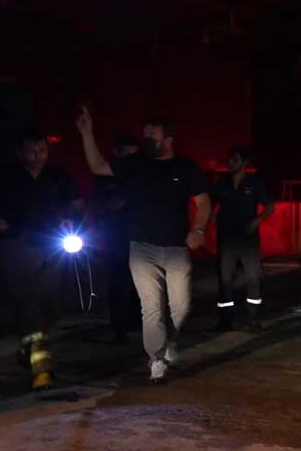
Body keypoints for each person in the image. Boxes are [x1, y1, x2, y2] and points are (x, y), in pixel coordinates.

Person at [76, 108, 211, 384]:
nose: (147, 137)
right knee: (150, 307)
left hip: (175, 248)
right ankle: (156, 359)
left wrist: (198, 228)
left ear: (168, 138)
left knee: (181, 307)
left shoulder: (186, 168)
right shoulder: (135, 164)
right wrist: (87, 133)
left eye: (153, 133)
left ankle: (170, 341)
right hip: (141, 249)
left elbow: (203, 201)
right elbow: (98, 166)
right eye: (145, 133)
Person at [0, 129, 84, 391]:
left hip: (54, 244)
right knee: (29, 300)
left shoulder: (58, 176)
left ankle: (27, 345)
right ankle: (41, 367)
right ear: (20, 152)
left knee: (51, 302)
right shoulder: (5, 178)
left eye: (42, 151)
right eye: (32, 151)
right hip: (17, 244)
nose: (38, 157)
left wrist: (72, 219)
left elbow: (78, 204)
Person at [210, 146, 274, 332]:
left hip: (248, 239)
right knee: (225, 280)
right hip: (227, 239)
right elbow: (210, 205)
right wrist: (208, 225)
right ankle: (225, 321)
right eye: (230, 159)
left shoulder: (255, 183)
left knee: (254, 277)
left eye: (235, 159)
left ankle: (253, 319)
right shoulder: (222, 183)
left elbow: (270, 206)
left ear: (245, 163)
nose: (231, 163)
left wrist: (256, 221)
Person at [88, 135, 142, 343]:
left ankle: (137, 322)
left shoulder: (139, 176)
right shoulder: (104, 178)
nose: (130, 161)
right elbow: (95, 205)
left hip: (139, 237)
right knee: (119, 282)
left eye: (134, 156)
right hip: (115, 239)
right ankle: (120, 328)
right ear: (116, 153)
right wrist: (115, 204)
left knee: (140, 281)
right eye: (126, 155)